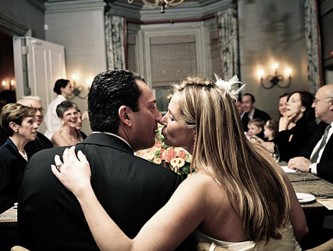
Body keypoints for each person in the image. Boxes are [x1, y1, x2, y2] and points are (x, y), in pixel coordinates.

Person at [51, 76, 308, 251]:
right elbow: (301, 228)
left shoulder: (201, 186)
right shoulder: (266, 161)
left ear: (197, 130)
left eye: (171, 117)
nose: (161, 120)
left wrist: (83, 189)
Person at [18, 70, 195, 251]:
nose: (159, 117)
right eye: (151, 108)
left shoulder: (39, 163)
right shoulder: (162, 182)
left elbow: (24, 243)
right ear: (125, 116)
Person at [288, 84, 333, 183]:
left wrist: (310, 167)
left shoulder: (310, 125)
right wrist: (299, 160)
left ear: (332, 104)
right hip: (312, 180)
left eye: (316, 101)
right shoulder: (323, 125)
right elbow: (308, 150)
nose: (313, 105)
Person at [0, 103, 37, 213]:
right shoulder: (4, 156)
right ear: (14, 126)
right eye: (30, 122)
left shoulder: (30, 150)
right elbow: (3, 198)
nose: (36, 126)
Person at [274, 91, 317, 162]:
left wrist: (282, 130)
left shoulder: (306, 126)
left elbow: (287, 156)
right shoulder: (297, 126)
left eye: (293, 101)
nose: (287, 104)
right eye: (288, 101)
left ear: (303, 108)